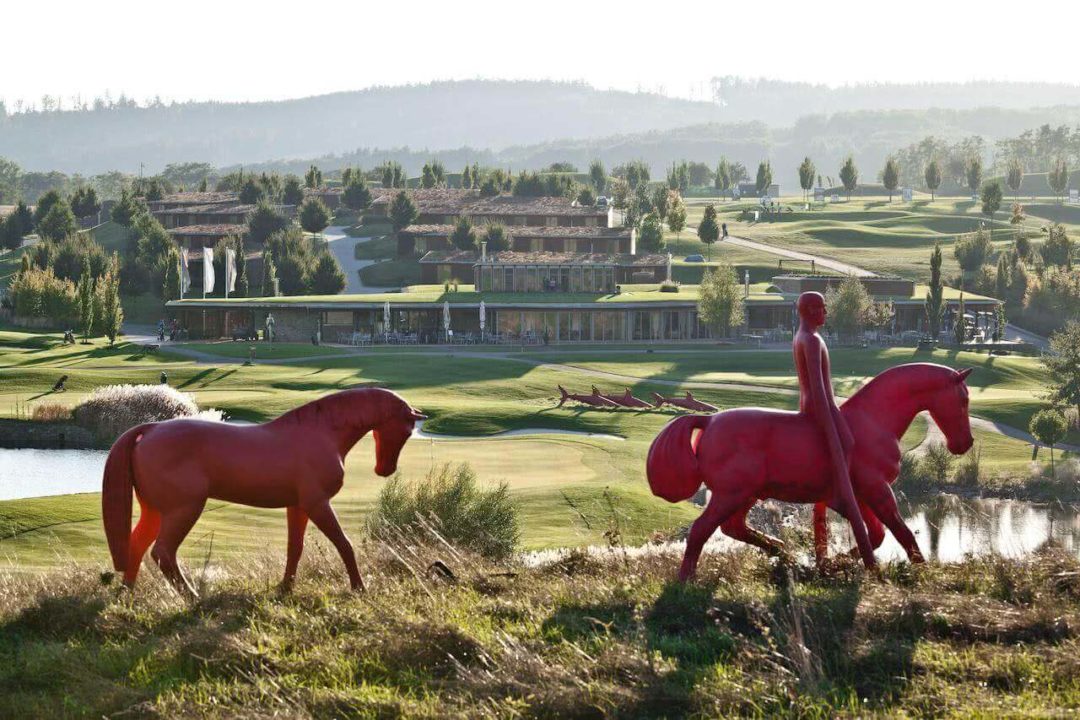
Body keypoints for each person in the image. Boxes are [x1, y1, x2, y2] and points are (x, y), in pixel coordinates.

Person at [792, 291, 875, 568]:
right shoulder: (812, 340)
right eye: (822, 308)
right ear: (812, 311)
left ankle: (823, 544)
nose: (826, 313)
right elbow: (817, 388)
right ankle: (840, 493)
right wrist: (831, 424)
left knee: (846, 445)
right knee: (848, 445)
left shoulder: (802, 335)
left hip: (816, 406)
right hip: (821, 408)